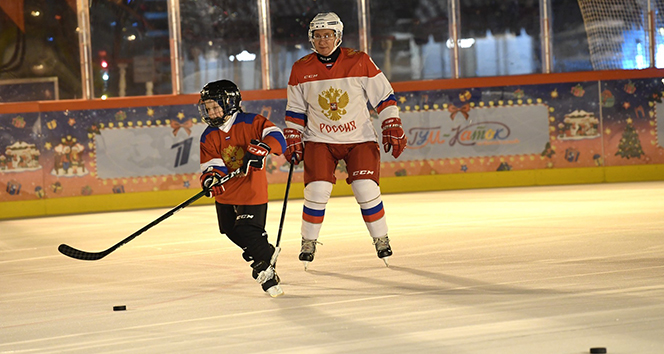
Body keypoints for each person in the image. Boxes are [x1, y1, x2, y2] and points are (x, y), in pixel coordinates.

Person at [283, 12, 407, 269]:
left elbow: (384, 97)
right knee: (316, 191)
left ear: (338, 36)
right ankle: (308, 241)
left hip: (359, 139)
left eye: (328, 35)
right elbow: (295, 110)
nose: (323, 41)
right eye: (317, 36)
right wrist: (293, 133)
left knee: (366, 188)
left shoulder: (360, 61)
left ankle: (381, 238)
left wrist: (391, 121)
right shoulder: (301, 68)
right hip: (319, 139)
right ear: (311, 38)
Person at [198, 79, 287, 297]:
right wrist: (212, 179)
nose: (211, 112)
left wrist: (264, 148)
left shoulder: (251, 122)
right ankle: (265, 252)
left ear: (230, 103)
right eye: (207, 107)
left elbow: (277, 138)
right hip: (227, 194)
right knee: (230, 229)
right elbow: (212, 165)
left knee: (247, 230)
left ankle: (264, 270)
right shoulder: (208, 135)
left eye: (215, 106)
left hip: (252, 190)